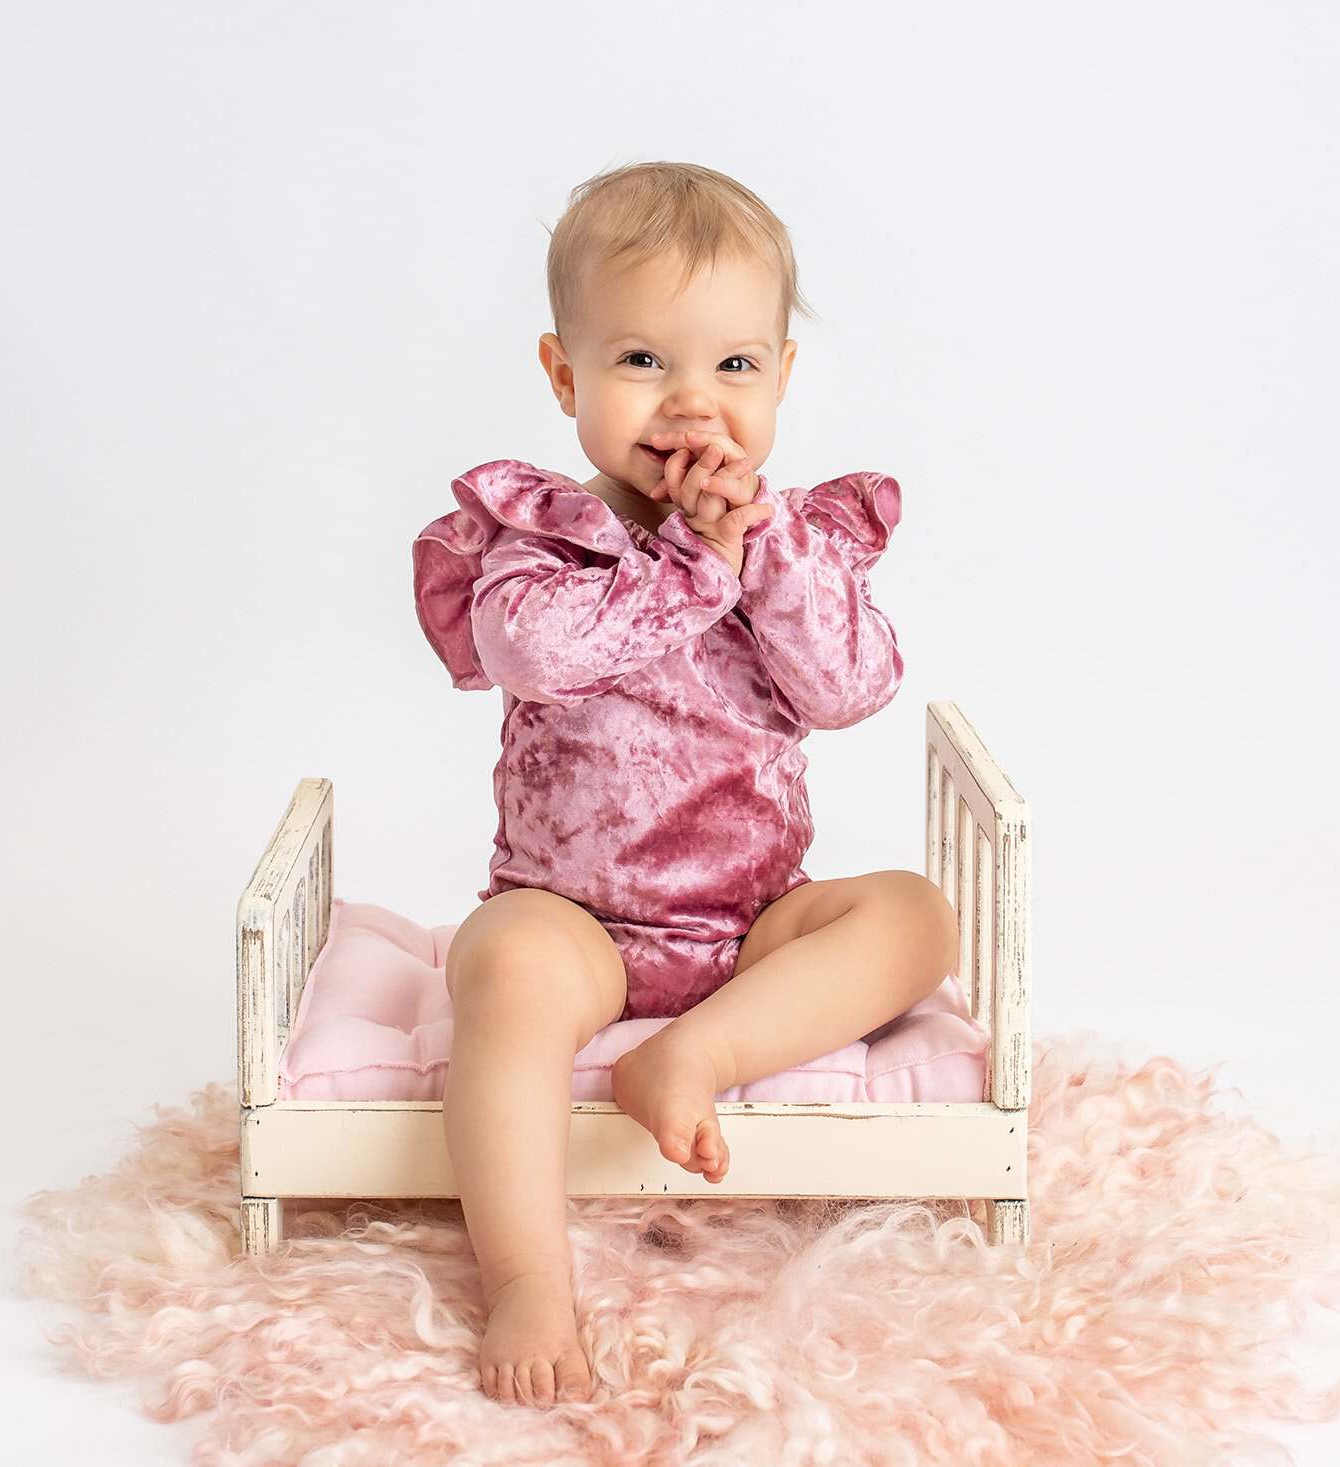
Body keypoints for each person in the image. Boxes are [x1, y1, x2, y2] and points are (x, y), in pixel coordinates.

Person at [410, 160, 959, 1408]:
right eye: (642, 362)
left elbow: (848, 688)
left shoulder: (789, 543)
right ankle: (526, 1276)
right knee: (500, 963)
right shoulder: (539, 537)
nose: (690, 405)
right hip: (578, 917)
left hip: (752, 918)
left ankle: (695, 1058)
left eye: (732, 367)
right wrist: (683, 569)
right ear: (565, 375)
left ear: (778, 378)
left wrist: (752, 553)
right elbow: (537, 659)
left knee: (916, 915)